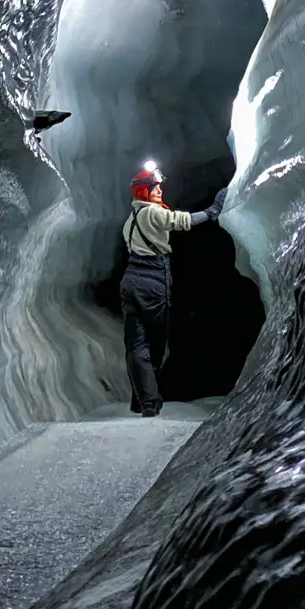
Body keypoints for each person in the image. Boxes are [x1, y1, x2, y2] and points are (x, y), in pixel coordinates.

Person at [120, 161, 227, 417]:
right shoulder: (152, 212)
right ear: (143, 193)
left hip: (130, 279)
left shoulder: (129, 222)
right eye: (153, 187)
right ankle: (149, 401)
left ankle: (140, 399)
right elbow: (180, 221)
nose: (158, 191)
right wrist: (211, 211)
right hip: (153, 279)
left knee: (136, 343)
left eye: (157, 187)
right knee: (155, 345)